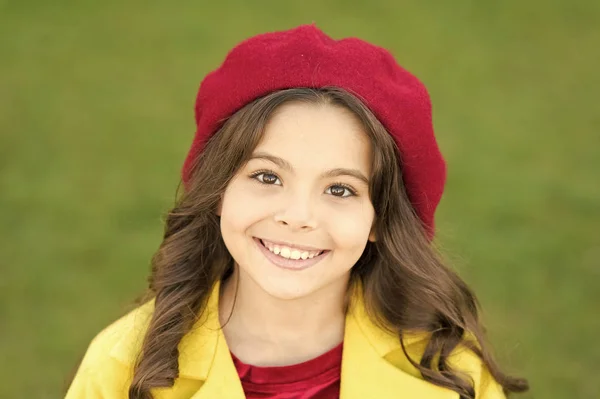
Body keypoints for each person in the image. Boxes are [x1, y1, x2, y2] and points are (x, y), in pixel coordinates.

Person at [65, 24, 529, 399]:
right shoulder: (122, 366)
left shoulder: (449, 375)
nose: (298, 215)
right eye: (267, 177)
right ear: (219, 190)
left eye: (341, 189)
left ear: (380, 219)